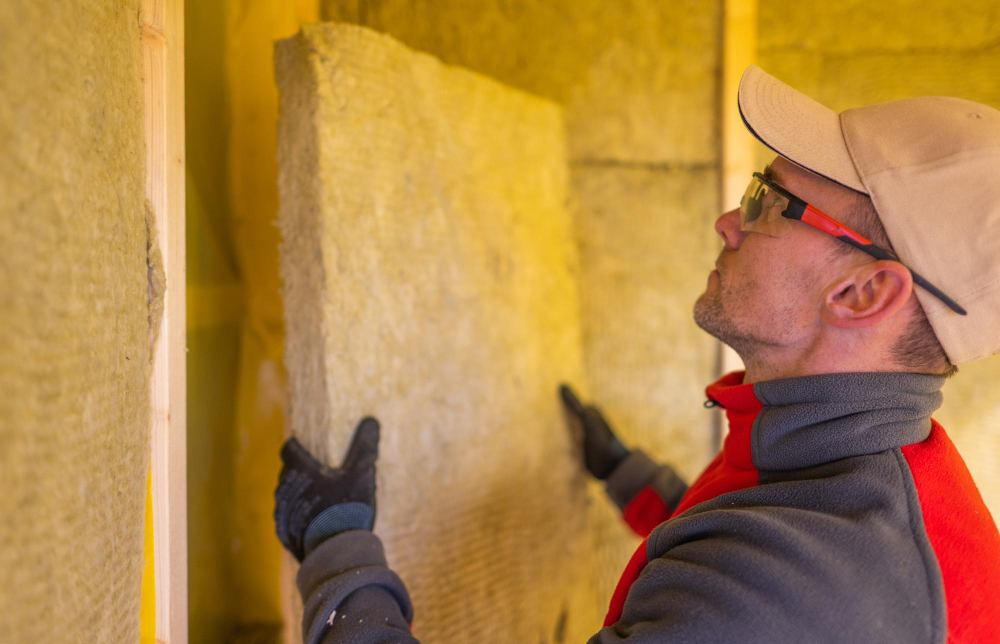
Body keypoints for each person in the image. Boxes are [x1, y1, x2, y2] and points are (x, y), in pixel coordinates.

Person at [273, 65, 1000, 643]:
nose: (726, 222)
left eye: (765, 203)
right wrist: (630, 477)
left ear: (864, 292)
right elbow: (753, 543)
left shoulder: (797, 593)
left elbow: (752, 589)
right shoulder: (853, 475)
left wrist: (339, 558)